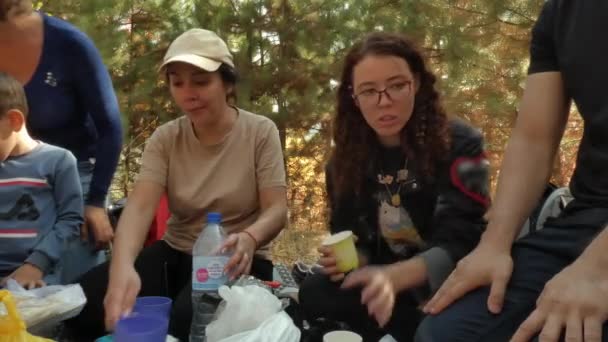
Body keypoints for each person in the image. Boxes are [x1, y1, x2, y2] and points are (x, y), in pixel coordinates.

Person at [65, 28, 288, 341]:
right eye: (177, 82)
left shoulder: (259, 132)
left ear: (226, 83)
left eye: (200, 81)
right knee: (84, 303)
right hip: (177, 252)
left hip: (237, 259)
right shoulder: (166, 138)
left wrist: (251, 237)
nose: (188, 93)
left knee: (189, 322)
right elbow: (141, 205)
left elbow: (277, 209)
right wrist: (122, 267)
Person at [416, 1, 608, 341]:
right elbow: (534, 137)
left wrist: (598, 270)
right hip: (586, 216)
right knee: (443, 333)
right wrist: (494, 244)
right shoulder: (562, 11)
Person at [297, 32, 490, 341]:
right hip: (383, 283)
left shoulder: (462, 144)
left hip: (448, 281)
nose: (384, 102)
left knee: (438, 327)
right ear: (353, 98)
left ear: (417, 83)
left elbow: (466, 238)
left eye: (397, 86)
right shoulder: (343, 162)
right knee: (316, 290)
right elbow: (352, 236)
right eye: (369, 91)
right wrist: (351, 260)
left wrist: (395, 278)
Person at [0, 0, 123, 283]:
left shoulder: (68, 43)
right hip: (7, 171)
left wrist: (94, 202)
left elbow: (110, 126)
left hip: (74, 175)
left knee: (73, 295)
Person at [0, 72, 83, 289]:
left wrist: (36, 264)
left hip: (36, 278)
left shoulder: (58, 161)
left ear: (14, 120)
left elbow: (70, 220)